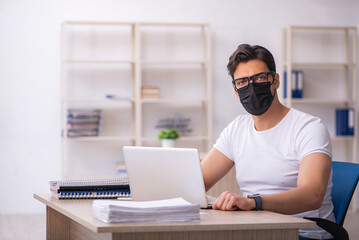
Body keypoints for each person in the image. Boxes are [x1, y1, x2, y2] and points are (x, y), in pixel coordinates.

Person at [201, 44, 335, 240]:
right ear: (235, 90)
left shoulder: (308, 127)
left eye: (260, 78)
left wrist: (253, 202)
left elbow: (312, 195)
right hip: (257, 229)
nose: (252, 87)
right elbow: (199, 182)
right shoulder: (237, 129)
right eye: (242, 82)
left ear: (276, 80)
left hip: (305, 234)